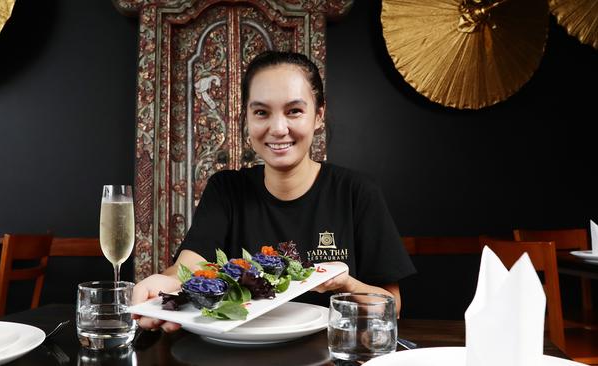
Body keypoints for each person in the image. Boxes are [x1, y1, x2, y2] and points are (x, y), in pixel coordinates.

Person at [132, 51, 416, 332]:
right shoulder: (227, 189)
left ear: (318, 115)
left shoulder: (356, 192)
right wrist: (168, 283)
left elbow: (392, 306)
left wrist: (346, 284)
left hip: (329, 354)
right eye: (261, 113)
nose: (278, 128)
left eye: (294, 111)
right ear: (247, 119)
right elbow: (189, 266)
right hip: (237, 355)